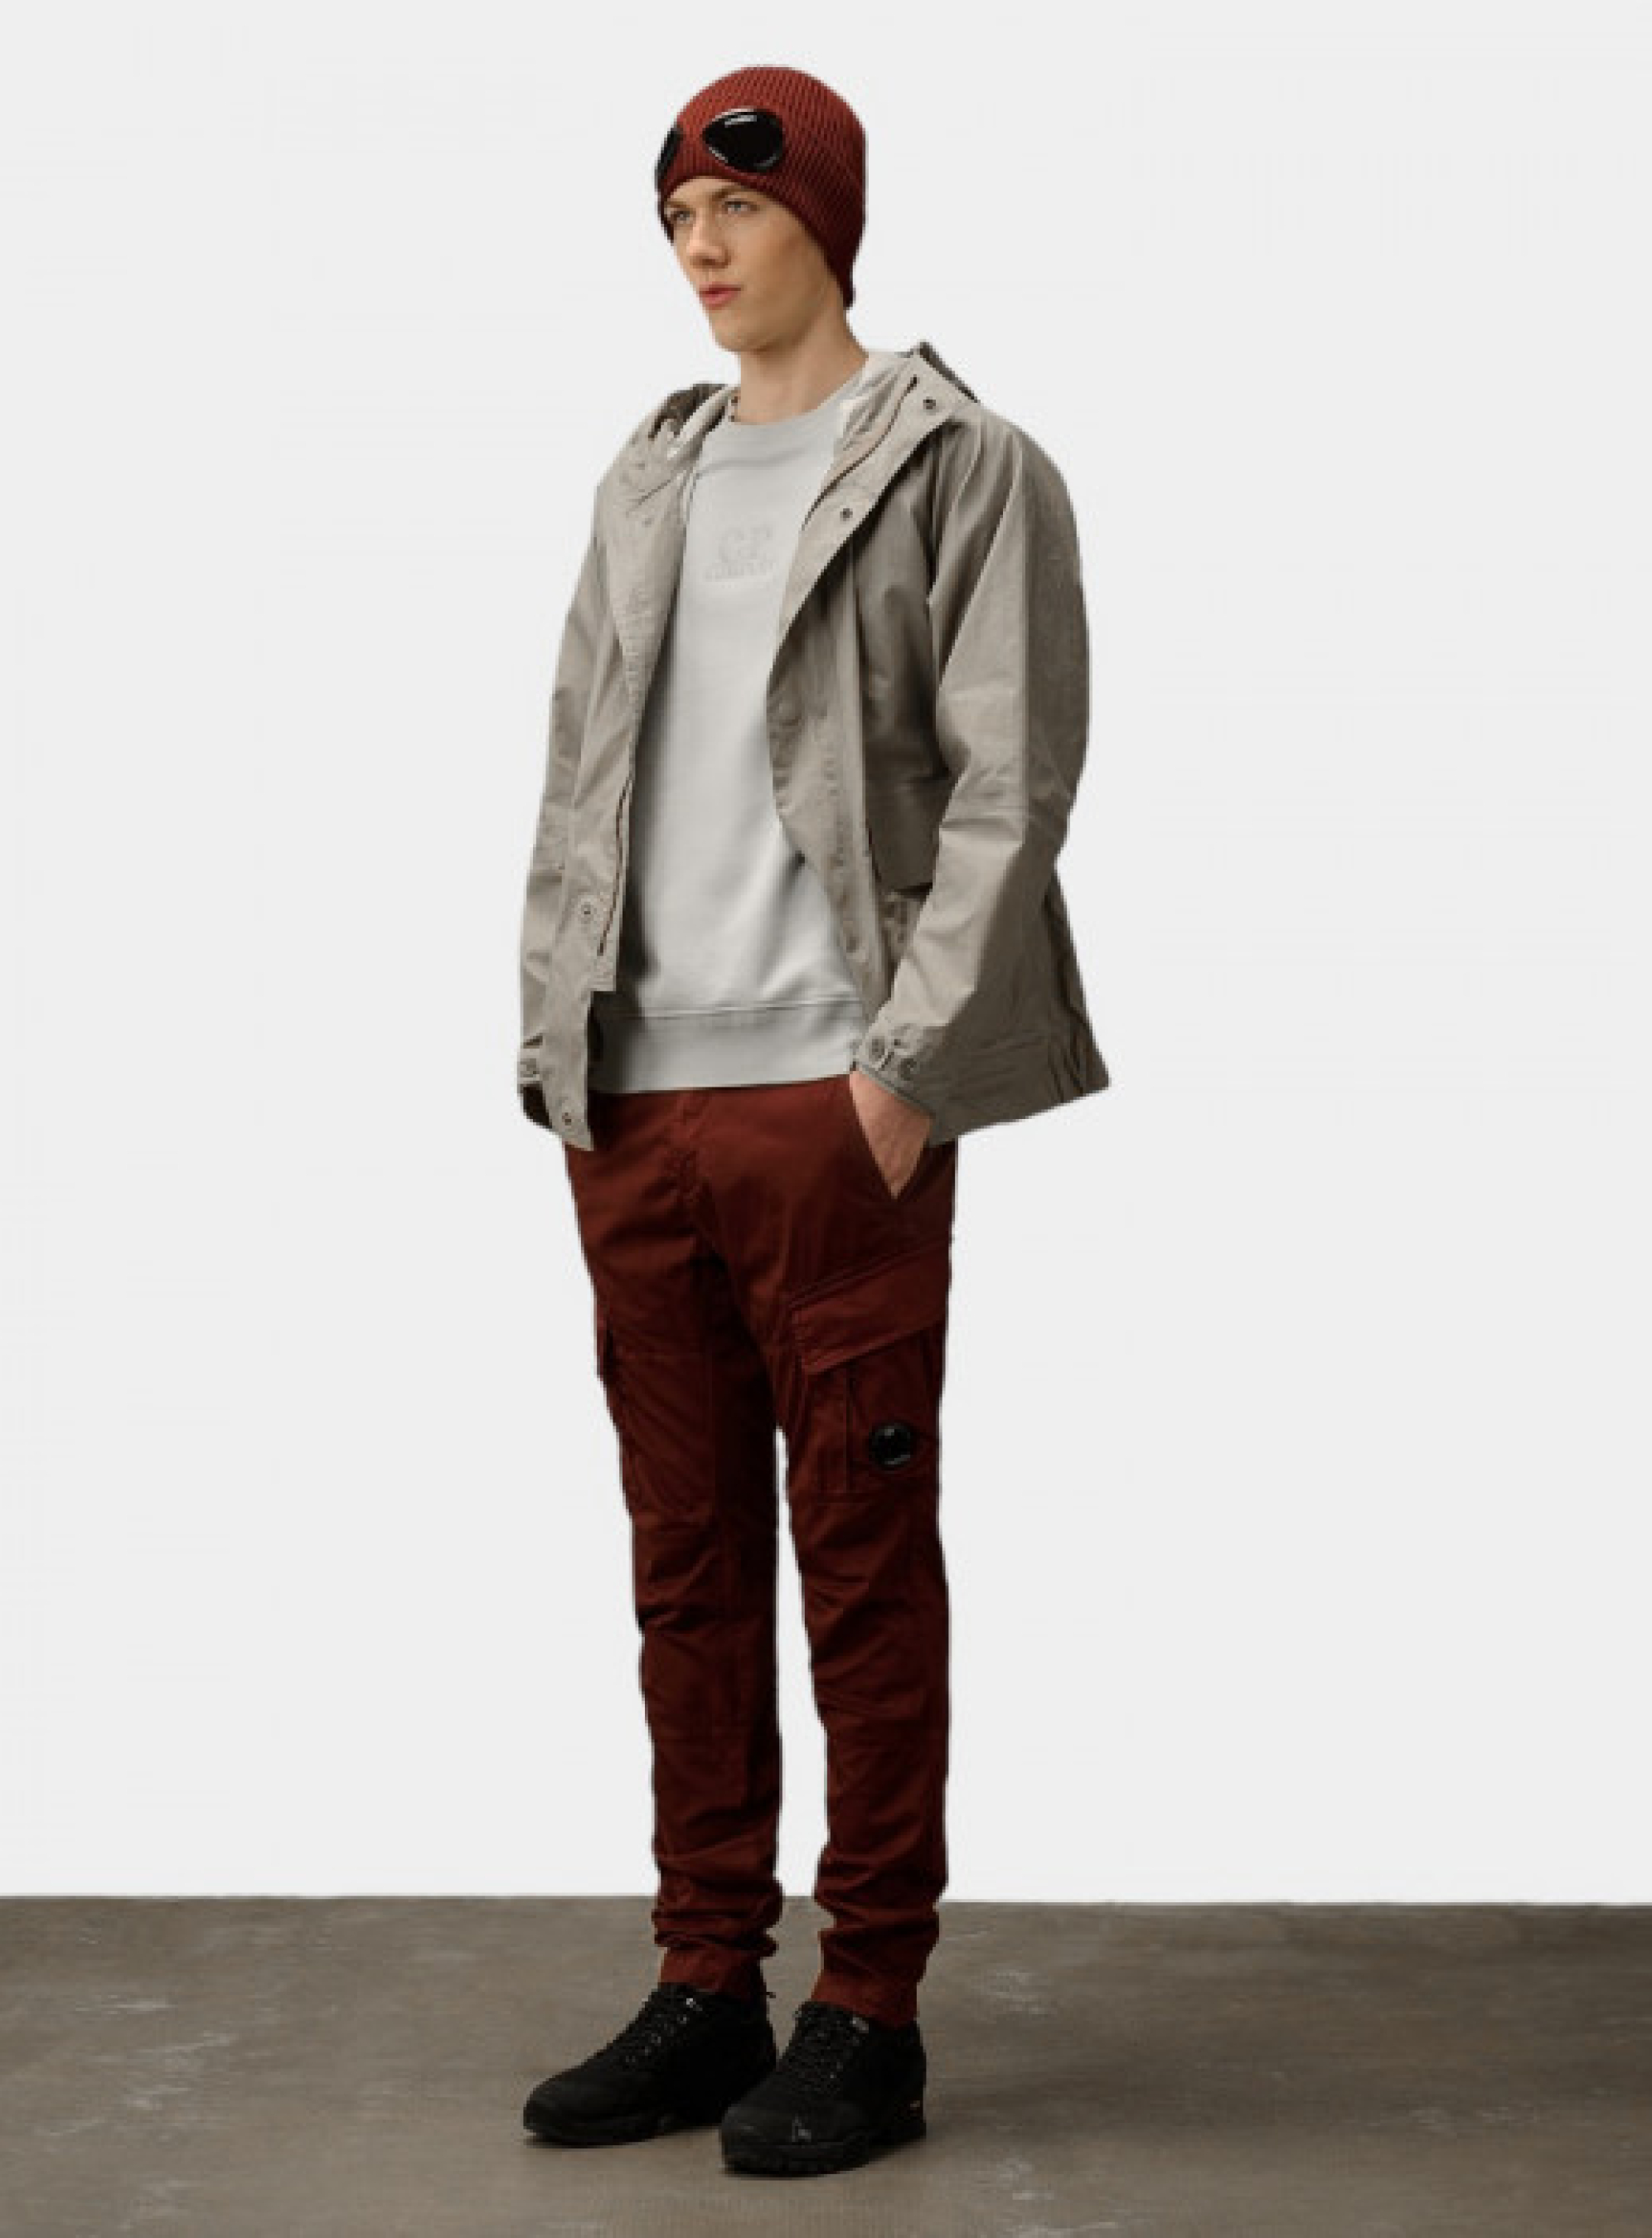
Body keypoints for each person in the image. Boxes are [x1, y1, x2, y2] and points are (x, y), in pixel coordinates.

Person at [516, 62, 1110, 2179]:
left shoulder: (957, 462)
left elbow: (1012, 784)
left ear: (823, 223)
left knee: (855, 1561)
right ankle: (706, 1983)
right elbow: (579, 767)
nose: (699, 246)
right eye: (676, 214)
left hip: (825, 1102)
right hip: (638, 1100)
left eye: (735, 210)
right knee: (682, 1565)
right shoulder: (648, 473)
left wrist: (900, 1075)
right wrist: (558, 1053)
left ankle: (869, 2007)